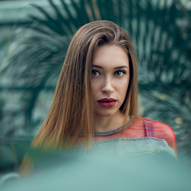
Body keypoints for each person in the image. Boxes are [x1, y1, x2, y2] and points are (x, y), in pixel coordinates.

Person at [21, 20, 176, 174]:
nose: (108, 87)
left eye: (119, 72)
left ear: (131, 76)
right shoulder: (50, 148)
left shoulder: (159, 139)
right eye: (94, 73)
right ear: (76, 76)